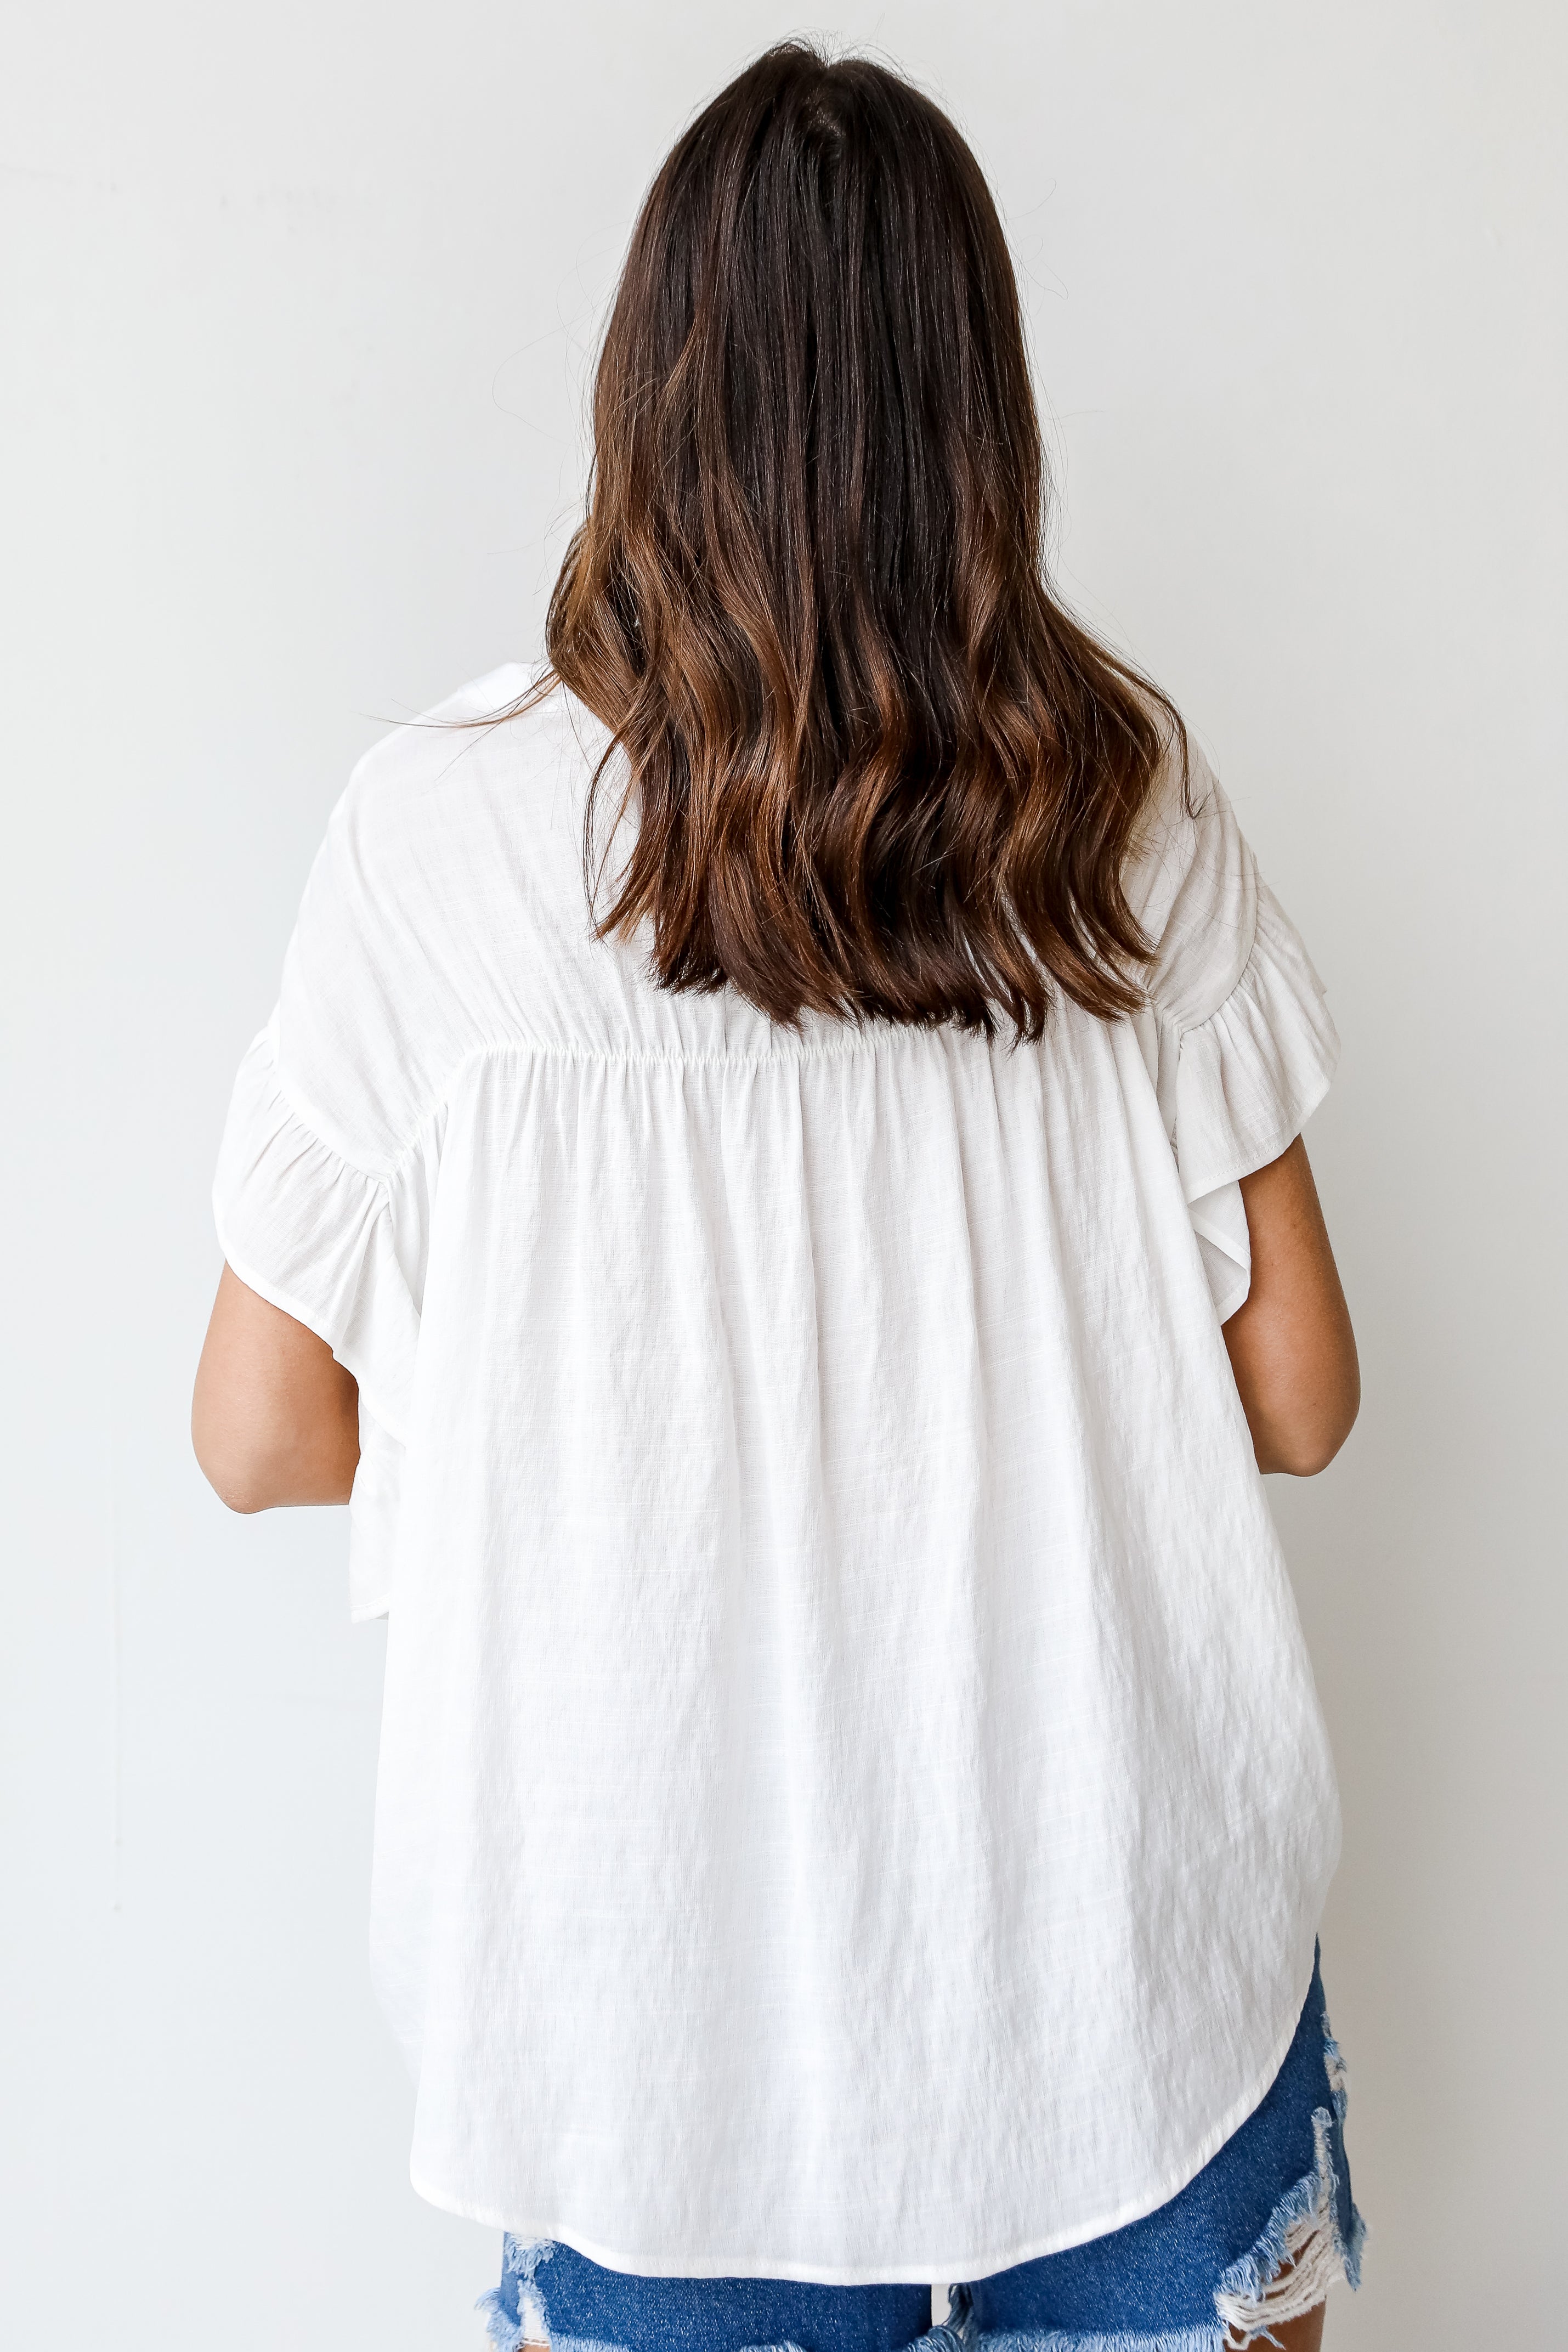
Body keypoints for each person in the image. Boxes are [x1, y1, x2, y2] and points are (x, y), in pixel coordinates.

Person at [191, 42, 1366, 2352]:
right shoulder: (1117, 802)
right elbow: (1304, 1396)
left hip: (642, 2037)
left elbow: (254, 1433)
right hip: (1119, 1982)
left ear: (650, 389)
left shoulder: (430, 840)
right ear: (975, 412)